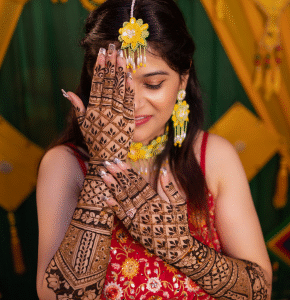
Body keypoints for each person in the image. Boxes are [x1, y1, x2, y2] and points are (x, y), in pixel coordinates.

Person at [36, 0, 272, 299]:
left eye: (154, 83)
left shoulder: (212, 156)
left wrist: (184, 251)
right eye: (118, 84)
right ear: (96, 82)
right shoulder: (66, 165)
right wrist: (101, 167)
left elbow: (260, 290)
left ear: (182, 80)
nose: (132, 104)